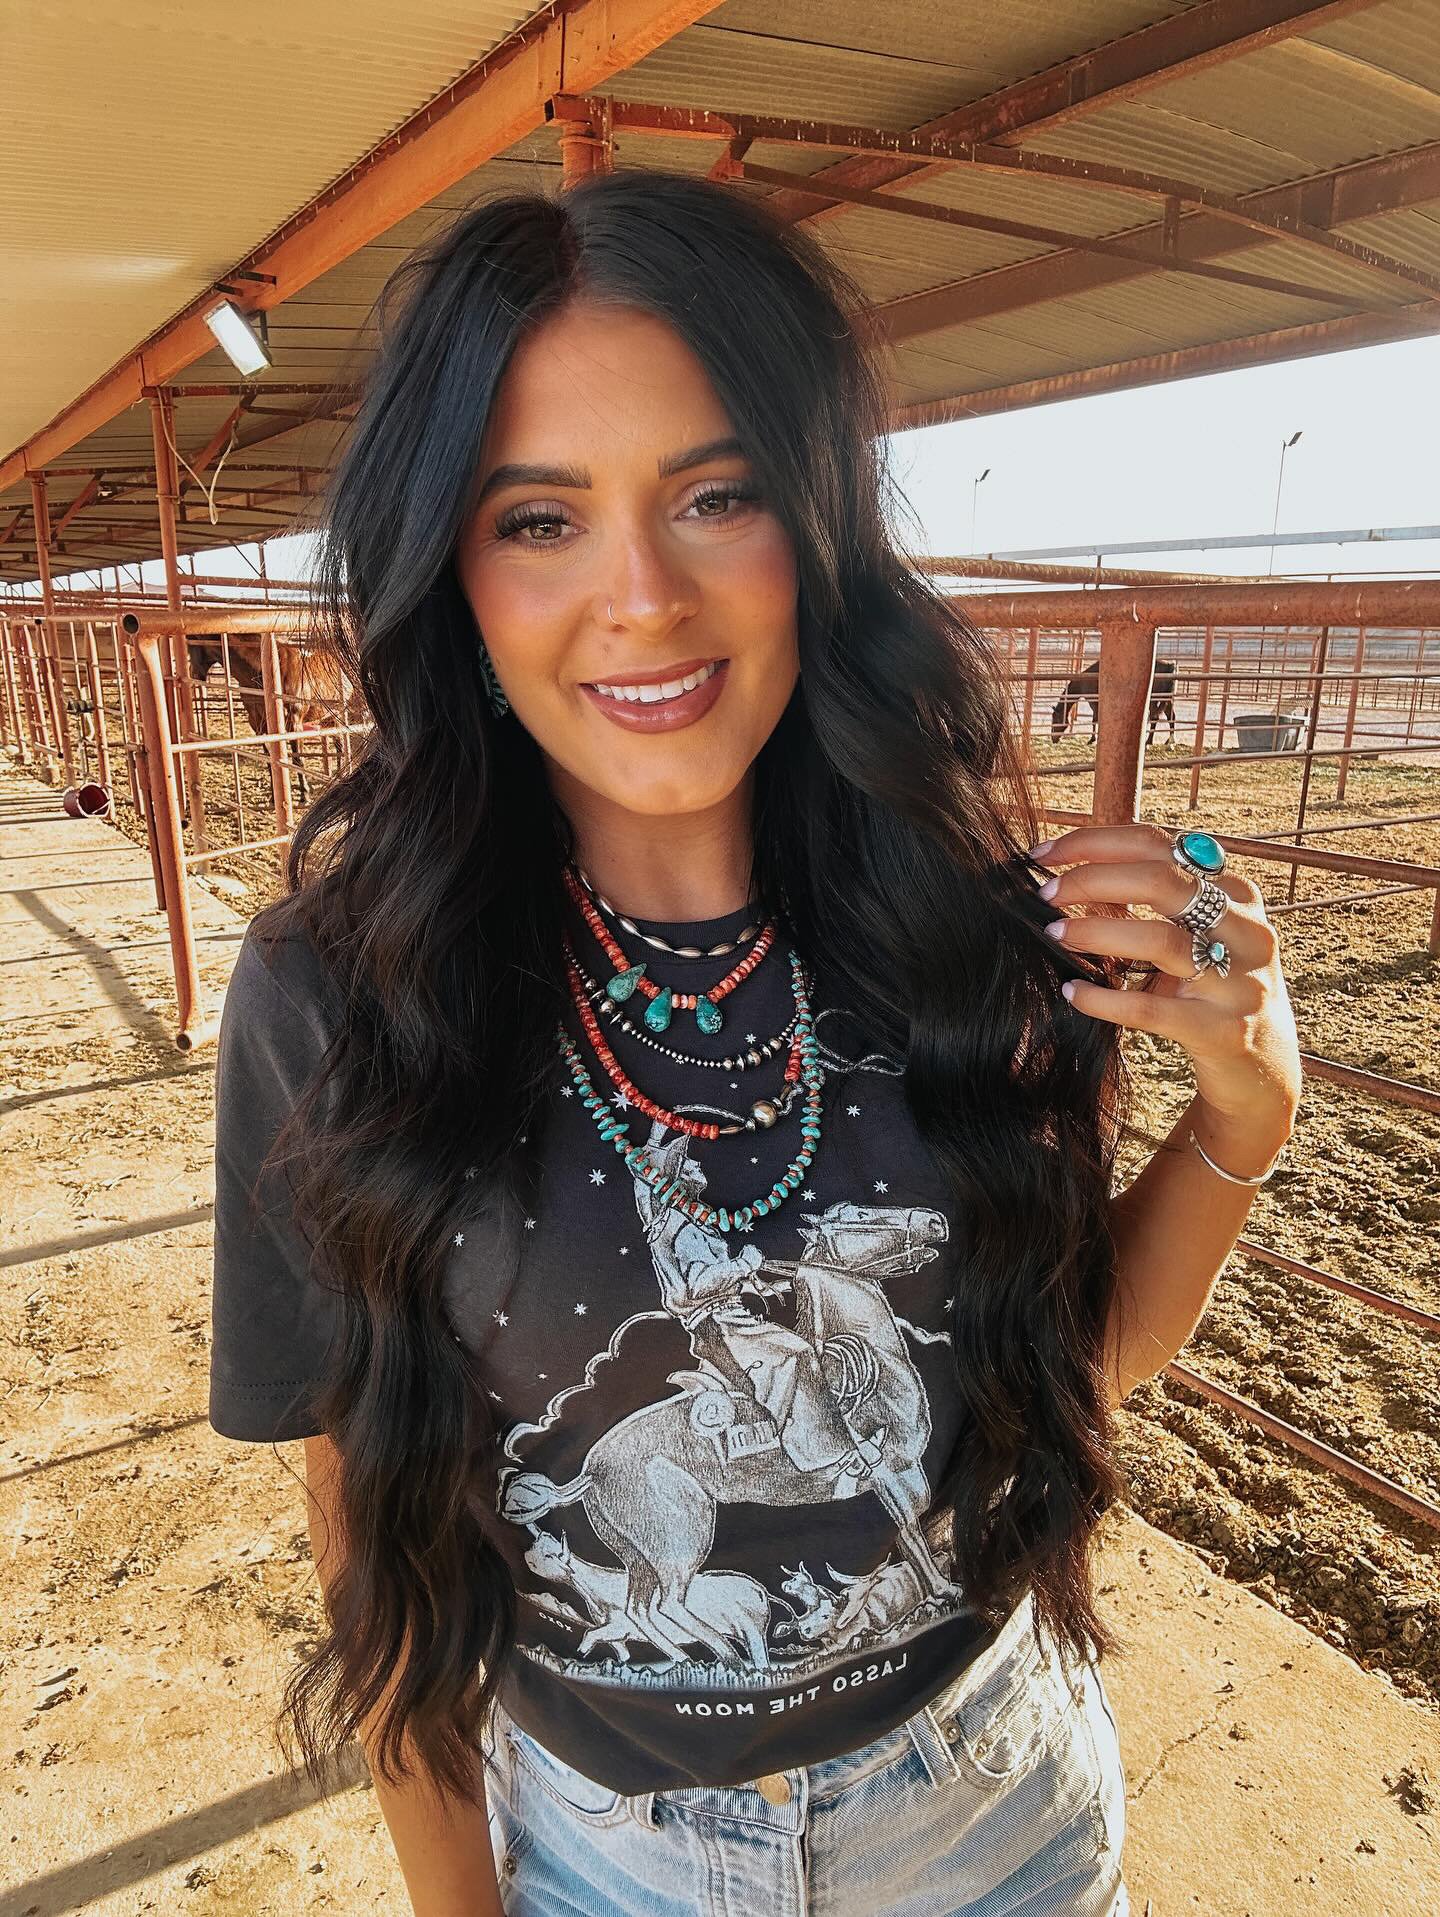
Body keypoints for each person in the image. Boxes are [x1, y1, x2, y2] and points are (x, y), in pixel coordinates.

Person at [208, 168, 1302, 1917]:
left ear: (812, 531)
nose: (640, 593)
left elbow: (1075, 1358)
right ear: (456, 575)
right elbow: (374, 1527)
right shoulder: (341, 992)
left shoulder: (969, 936)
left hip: (986, 1823)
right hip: (598, 1859)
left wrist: (1253, 1096)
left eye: (714, 494)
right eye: (540, 518)